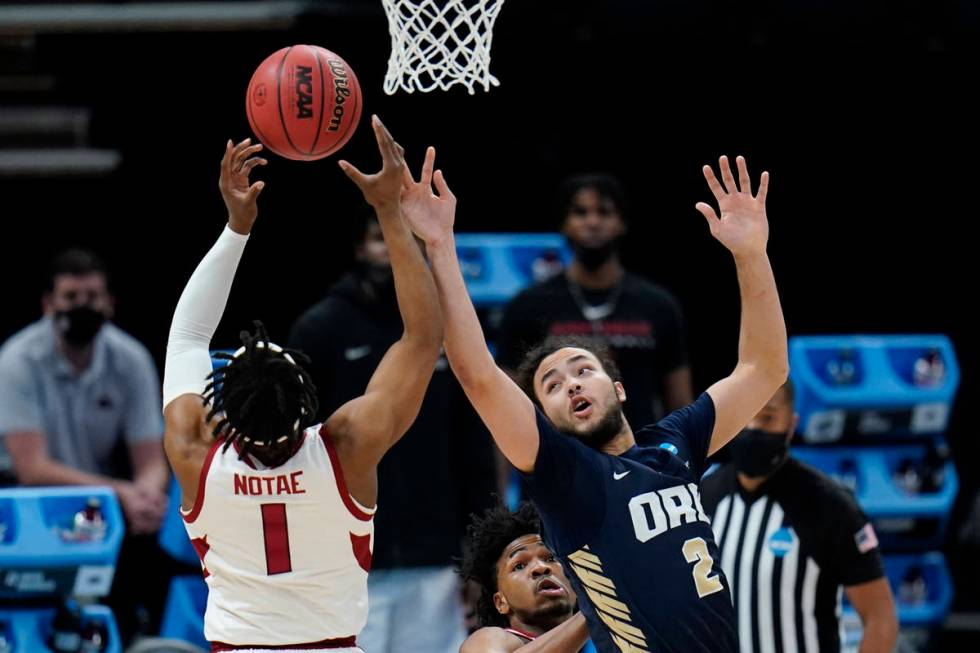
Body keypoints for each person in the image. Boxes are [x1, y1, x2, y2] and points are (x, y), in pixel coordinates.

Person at [402, 154, 787, 652]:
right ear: (545, 418)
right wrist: (440, 246)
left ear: (619, 388)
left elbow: (765, 369)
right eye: (553, 385)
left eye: (583, 370)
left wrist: (752, 253)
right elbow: (478, 375)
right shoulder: (566, 477)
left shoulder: (675, 443)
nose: (573, 385)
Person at [161, 116, 443, 651]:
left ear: (221, 408)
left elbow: (188, 339)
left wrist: (235, 226)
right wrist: (388, 208)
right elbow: (423, 337)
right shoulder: (346, 446)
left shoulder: (194, 450)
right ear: (306, 397)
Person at [288, 205, 496, 653]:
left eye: (407, 241)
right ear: (361, 247)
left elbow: (475, 448)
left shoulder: (451, 327)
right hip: (345, 563)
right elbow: (296, 451)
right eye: (382, 238)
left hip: (434, 558)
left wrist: (482, 554)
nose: (393, 250)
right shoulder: (320, 329)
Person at [0, 247, 170, 641]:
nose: (83, 307)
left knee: (156, 530)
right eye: (71, 298)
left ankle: (139, 637)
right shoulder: (16, 362)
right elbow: (33, 469)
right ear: (48, 304)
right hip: (28, 507)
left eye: (92, 298)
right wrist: (123, 492)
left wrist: (145, 494)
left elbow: (150, 458)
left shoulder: (130, 360)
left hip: (103, 511)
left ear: (109, 304)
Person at [701, 380, 898, 653]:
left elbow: (881, 618)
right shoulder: (702, 497)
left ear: (791, 426)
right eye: (745, 416)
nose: (754, 427)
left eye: (768, 418)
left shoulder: (829, 505)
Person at [496, 173, 692, 429]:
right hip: (563, 459)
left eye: (604, 212)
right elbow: (507, 406)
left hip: (643, 456)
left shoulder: (658, 305)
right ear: (564, 224)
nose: (592, 221)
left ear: (621, 222)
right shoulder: (528, 305)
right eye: (580, 212)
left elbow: (679, 402)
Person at [459, 502, 590, 653]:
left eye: (551, 558)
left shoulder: (605, 640)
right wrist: (594, 613)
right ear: (501, 602)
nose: (541, 568)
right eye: (519, 565)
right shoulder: (489, 638)